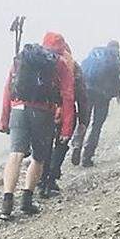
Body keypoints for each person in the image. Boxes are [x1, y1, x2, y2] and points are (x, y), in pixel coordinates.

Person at [0, 32, 76, 220]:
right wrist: (66, 129)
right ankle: (26, 200)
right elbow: (68, 96)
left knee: (15, 153)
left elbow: (8, 87)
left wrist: (3, 119)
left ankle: (6, 204)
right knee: (39, 157)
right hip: (43, 112)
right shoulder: (59, 63)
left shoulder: (23, 58)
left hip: (18, 108)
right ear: (62, 48)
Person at [41, 49, 89, 196]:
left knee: (46, 145)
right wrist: (83, 120)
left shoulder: (42, 62)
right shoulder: (73, 66)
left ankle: (41, 179)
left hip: (46, 111)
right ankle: (51, 180)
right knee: (61, 145)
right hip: (67, 112)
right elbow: (81, 95)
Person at [72, 40, 120, 167]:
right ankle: (87, 157)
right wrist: (115, 93)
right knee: (96, 126)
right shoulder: (116, 59)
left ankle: (77, 143)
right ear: (117, 48)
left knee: (84, 121)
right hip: (103, 95)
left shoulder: (95, 54)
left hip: (88, 91)